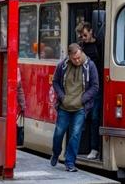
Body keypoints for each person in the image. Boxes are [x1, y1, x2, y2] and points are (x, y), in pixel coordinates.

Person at [50, 43, 99, 172]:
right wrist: (62, 97)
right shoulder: (63, 65)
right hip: (64, 107)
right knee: (58, 133)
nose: (77, 60)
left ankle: (70, 163)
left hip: (80, 108)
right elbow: (55, 82)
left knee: (75, 134)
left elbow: (95, 86)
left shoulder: (90, 66)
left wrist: (82, 99)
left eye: (79, 57)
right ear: (69, 56)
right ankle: (56, 153)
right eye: (74, 59)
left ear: (81, 52)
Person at [0, 64, 25, 160]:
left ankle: (6, 151)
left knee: (9, 128)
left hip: (11, 106)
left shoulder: (16, 71)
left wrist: (23, 104)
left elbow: (19, 89)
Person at [79, 23, 103, 160]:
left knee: (94, 117)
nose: (83, 38)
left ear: (91, 31)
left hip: (95, 87)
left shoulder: (99, 45)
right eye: (81, 36)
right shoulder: (80, 47)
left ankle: (94, 148)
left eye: (85, 35)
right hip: (83, 87)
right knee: (82, 117)